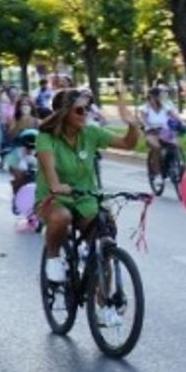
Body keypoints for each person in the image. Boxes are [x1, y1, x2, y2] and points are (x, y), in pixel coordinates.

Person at [35, 87, 141, 287]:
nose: (85, 114)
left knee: (105, 239)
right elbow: (50, 172)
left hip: (85, 199)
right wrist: (57, 185)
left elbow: (127, 144)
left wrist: (132, 125)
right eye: (79, 110)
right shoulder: (45, 138)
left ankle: (104, 305)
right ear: (64, 112)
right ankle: (53, 257)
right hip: (53, 198)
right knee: (62, 217)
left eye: (88, 109)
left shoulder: (90, 132)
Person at [140, 86, 183, 177]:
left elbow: (174, 116)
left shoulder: (165, 107)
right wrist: (147, 125)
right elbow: (143, 119)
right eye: (159, 96)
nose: (160, 99)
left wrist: (181, 122)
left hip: (164, 131)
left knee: (174, 146)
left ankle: (168, 165)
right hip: (151, 132)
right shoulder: (145, 108)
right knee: (157, 147)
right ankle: (156, 170)